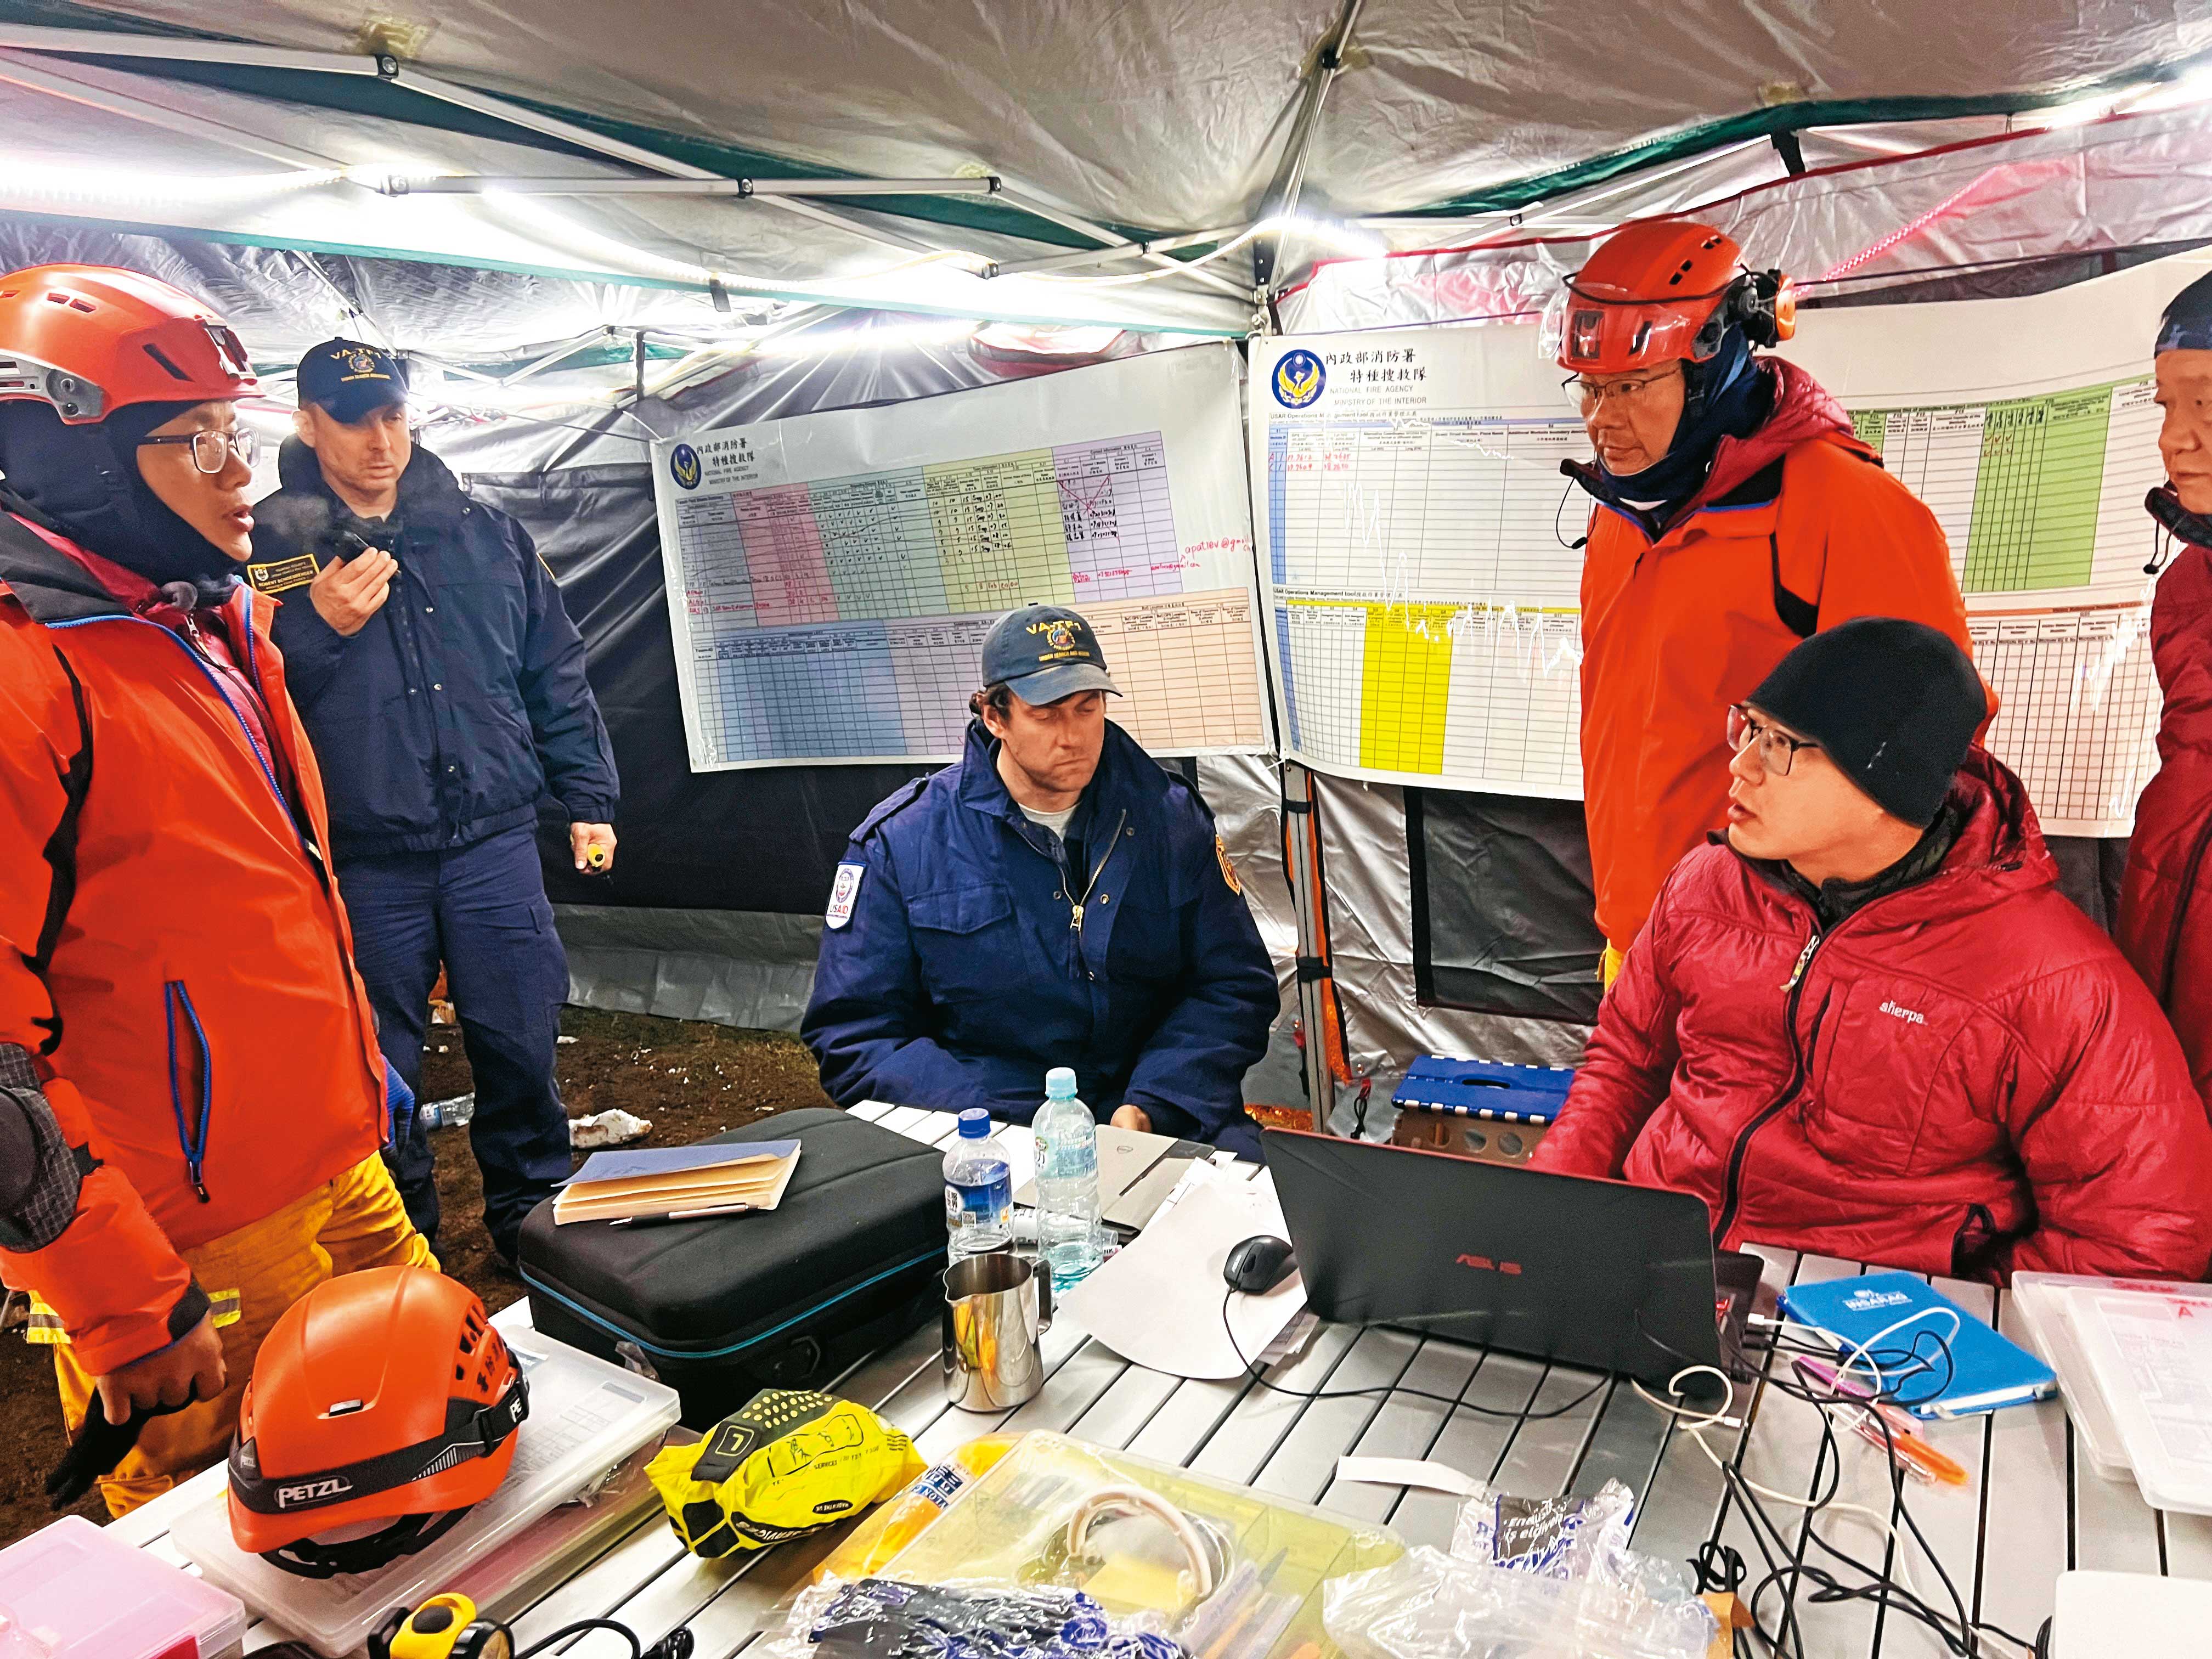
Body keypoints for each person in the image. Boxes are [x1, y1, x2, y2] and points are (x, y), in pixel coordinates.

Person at [0, 266, 431, 1514]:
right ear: (75, 461)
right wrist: (121, 1301)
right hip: (185, 1241)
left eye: (234, 436)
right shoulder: (30, 676)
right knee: (255, 1560)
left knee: (418, 1486)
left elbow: (254, 900)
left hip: (338, 1164)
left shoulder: (203, 625)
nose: (243, 475)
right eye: (201, 443)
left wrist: (354, 1069)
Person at [1532, 618, 2212, 1282]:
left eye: (1780, 746)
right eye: (1748, 728)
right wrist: (1548, 1215)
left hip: (1863, 1346)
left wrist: (1962, 1319)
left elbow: (2146, 1235)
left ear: (1888, 784)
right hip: (1653, 1266)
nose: (1738, 767)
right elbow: (1625, 1063)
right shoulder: (1704, 887)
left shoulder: (2051, 978)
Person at [251, 340, 619, 1265]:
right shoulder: (264, 548)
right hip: (363, 861)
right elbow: (228, 696)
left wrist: (587, 793)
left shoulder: (484, 531)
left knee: (520, 1038)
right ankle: (403, 1250)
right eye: (352, 418)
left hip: (493, 839)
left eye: (393, 415)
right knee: (377, 1071)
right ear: (305, 422)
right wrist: (311, 633)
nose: (380, 439)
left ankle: (532, 1222)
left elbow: (553, 669)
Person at [1558, 218, 1978, 985]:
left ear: (1715, 361)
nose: (1601, 420)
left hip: (1775, 968)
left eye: (1630, 388)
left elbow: (1934, 748)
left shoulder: (1845, 509)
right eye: (1589, 388)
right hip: (1633, 946)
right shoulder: (1619, 518)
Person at [803, 604, 1278, 1158]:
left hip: (1160, 1116)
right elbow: (858, 1034)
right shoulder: (901, 845)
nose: (1073, 736)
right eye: (1047, 714)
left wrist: (1153, 1104)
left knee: (1270, 1227)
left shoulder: (1168, 821)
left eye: (1087, 708)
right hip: (988, 1132)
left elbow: (1232, 986)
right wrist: (999, 1124)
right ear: (994, 716)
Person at [2119, 270, 2212, 1107]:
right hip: (2172, 962)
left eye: (2207, 407)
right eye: (2166, 408)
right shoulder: (2185, 586)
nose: (2175, 441)